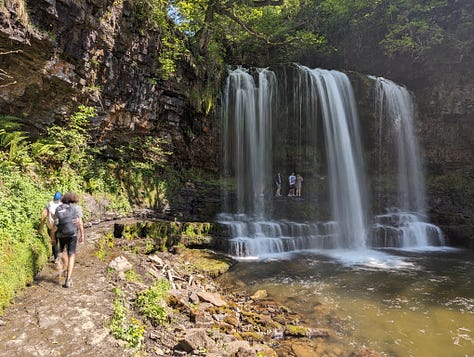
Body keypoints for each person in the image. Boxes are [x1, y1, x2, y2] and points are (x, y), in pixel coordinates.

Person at [54, 191, 84, 288]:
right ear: (74, 199)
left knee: (62, 252)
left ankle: (63, 265)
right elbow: (80, 223)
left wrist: (52, 236)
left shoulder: (59, 208)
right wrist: (82, 235)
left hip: (60, 234)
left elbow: (56, 224)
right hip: (72, 235)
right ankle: (68, 279)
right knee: (71, 255)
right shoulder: (76, 208)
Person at [38, 191, 62, 262]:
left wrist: (40, 228)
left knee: (54, 241)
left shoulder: (49, 204)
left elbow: (43, 215)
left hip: (51, 226)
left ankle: (56, 258)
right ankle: (63, 256)